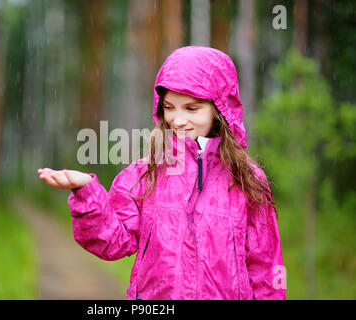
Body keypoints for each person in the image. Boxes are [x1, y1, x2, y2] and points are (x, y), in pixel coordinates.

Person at [37, 46, 286, 300]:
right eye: (170, 107)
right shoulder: (146, 173)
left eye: (191, 109)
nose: (178, 120)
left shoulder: (247, 180)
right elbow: (113, 240)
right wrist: (86, 193)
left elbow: (265, 268)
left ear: (219, 109)